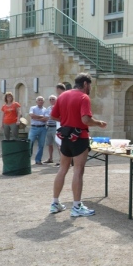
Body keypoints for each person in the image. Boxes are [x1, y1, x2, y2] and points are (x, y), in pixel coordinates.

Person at [49, 73, 107, 217]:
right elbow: (86, 120)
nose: (90, 88)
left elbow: (53, 116)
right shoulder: (83, 97)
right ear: (86, 84)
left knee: (62, 169)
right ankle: (76, 206)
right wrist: (99, 123)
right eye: (90, 85)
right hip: (79, 137)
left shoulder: (63, 95)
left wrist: (67, 120)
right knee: (78, 171)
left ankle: (55, 203)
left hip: (65, 137)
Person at [28, 96, 48, 165]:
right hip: (34, 128)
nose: (40, 101)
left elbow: (46, 119)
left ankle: (38, 160)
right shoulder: (32, 108)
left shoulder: (45, 109)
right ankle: (27, 159)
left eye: (41, 100)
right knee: (30, 143)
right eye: (39, 100)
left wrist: (36, 118)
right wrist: (41, 117)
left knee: (41, 145)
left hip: (43, 128)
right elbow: (31, 115)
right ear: (36, 101)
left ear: (43, 102)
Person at [43, 95, 58, 164]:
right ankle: (50, 158)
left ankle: (61, 160)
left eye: (53, 99)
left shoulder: (58, 107)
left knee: (58, 144)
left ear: (56, 100)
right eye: (50, 99)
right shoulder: (48, 108)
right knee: (49, 144)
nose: (52, 100)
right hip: (49, 127)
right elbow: (46, 117)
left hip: (55, 127)